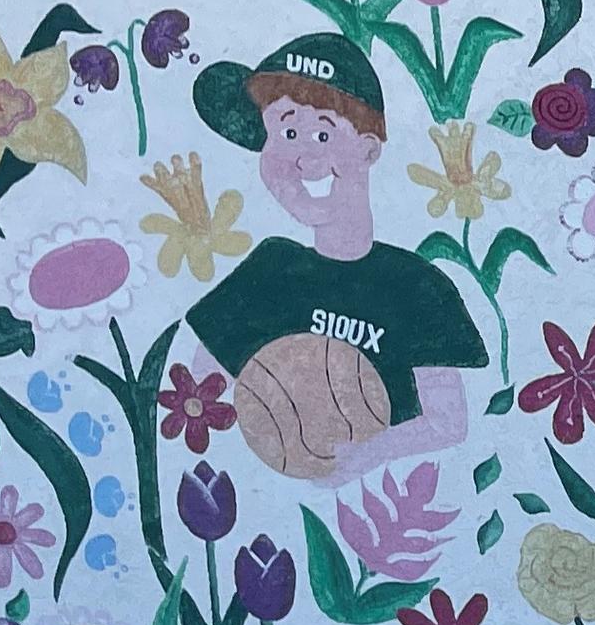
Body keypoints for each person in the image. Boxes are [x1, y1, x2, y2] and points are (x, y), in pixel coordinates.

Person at [183, 28, 485, 483]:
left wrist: (366, 454)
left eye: (323, 135)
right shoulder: (268, 273)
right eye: (285, 131)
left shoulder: (417, 287)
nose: (303, 158)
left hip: (388, 506)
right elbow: (202, 388)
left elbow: (448, 422)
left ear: (367, 150)